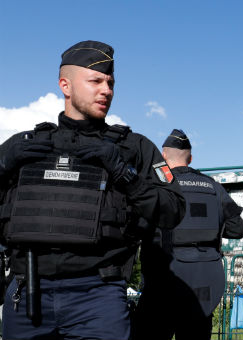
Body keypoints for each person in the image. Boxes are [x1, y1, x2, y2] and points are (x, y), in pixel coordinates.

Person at [0, 41, 186, 339]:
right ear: (66, 85)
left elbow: (173, 209)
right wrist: (2, 165)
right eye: (96, 81)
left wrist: (125, 174)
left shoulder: (133, 148)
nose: (107, 90)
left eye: (110, 83)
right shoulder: (25, 146)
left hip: (98, 298)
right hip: (27, 292)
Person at [133, 129, 243, 340]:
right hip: (203, 291)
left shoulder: (154, 187)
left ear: (163, 157)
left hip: (161, 287)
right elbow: (238, 229)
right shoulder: (214, 187)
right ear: (190, 158)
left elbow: (135, 227)